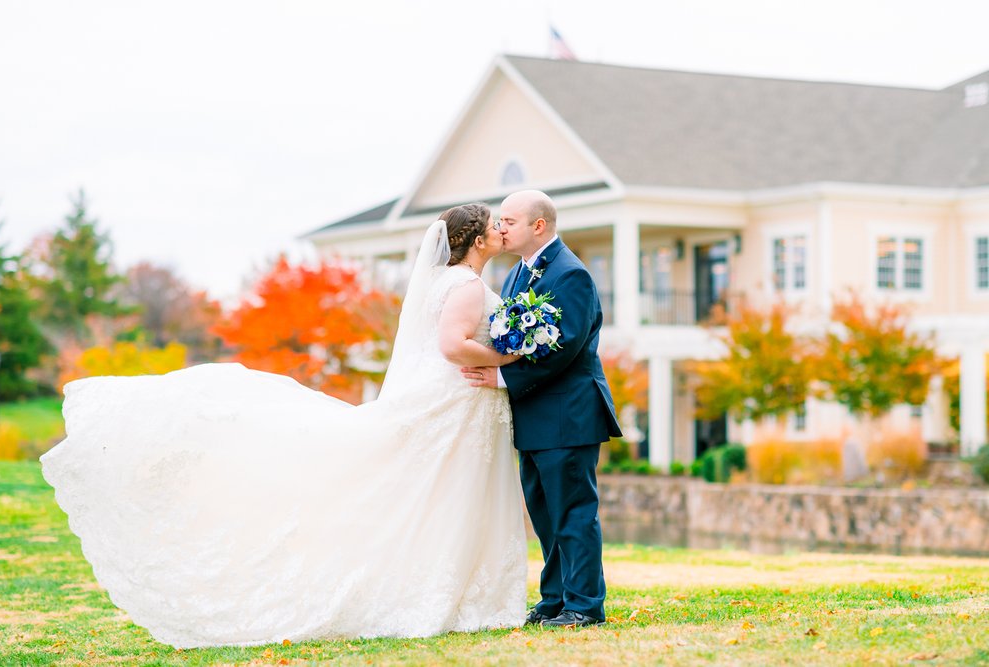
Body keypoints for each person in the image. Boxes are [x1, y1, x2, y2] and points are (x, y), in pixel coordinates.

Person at [40, 203, 528, 649]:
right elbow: (450, 345)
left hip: (457, 400)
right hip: (455, 398)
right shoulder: (464, 286)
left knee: (438, 495)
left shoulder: (448, 282)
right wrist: (505, 356)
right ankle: (450, 593)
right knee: (445, 493)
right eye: (495, 226)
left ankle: (456, 589)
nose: (502, 230)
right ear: (477, 241)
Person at [462, 190, 621, 628]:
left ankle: (585, 606)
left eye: (509, 221)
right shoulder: (517, 273)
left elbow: (565, 346)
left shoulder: (571, 275)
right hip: (533, 416)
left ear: (539, 226)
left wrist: (502, 378)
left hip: (568, 415)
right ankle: (554, 599)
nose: (500, 228)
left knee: (573, 513)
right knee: (545, 514)